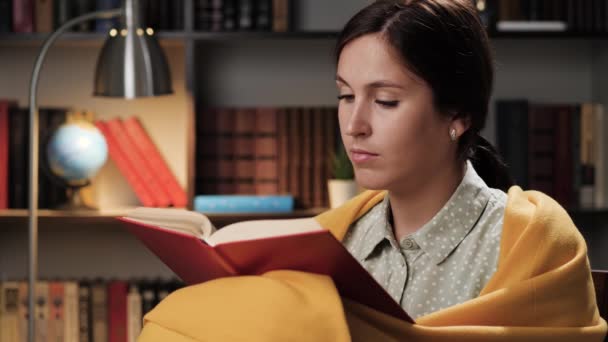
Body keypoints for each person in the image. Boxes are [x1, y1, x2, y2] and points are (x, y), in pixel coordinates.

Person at [137, 1, 606, 341]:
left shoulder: (530, 242)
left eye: (385, 101)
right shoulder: (333, 242)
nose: (354, 125)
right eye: (345, 95)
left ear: (457, 116)